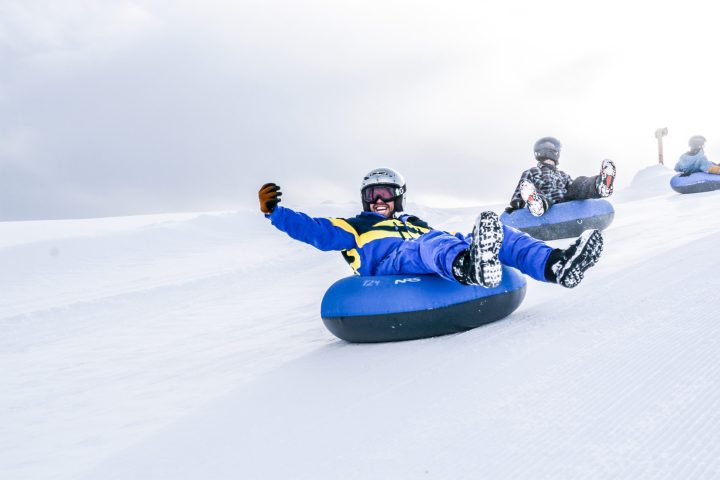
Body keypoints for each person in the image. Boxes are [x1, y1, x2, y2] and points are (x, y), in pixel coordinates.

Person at [258, 167, 604, 289]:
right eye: (372, 195)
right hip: (392, 265)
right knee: (430, 242)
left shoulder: (413, 222)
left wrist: (472, 243)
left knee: (496, 233)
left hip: (425, 253)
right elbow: (315, 230)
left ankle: (557, 266)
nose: (379, 201)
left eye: (387, 194)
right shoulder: (355, 226)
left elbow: (434, 242)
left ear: (399, 198)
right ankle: (470, 268)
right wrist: (276, 213)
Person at [506, 137, 617, 217]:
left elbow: (576, 189)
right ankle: (536, 204)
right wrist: (516, 204)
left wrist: (580, 189)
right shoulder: (531, 172)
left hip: (565, 202)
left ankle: (600, 185)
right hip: (546, 202)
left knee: (579, 182)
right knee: (534, 190)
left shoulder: (563, 175)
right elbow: (521, 190)